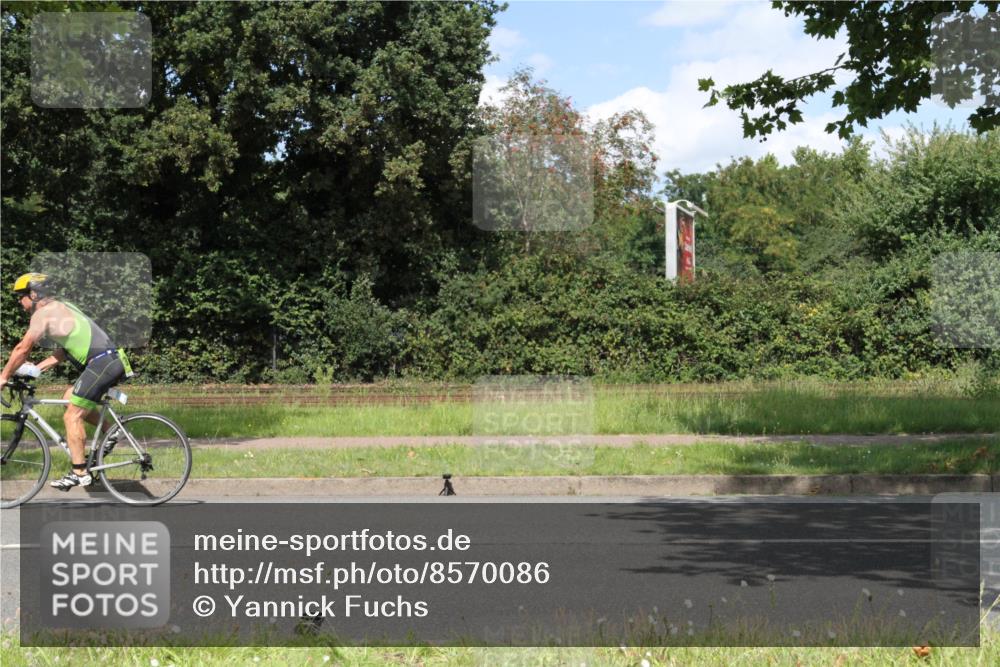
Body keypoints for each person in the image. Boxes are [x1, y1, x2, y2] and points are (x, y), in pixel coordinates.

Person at [0, 272, 133, 490]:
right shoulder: (62, 307)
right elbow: (65, 351)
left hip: (102, 362)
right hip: (108, 360)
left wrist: (3, 377)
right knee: (69, 396)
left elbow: (22, 349)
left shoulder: (43, 314)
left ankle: (79, 472)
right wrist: (37, 368)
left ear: (33, 294)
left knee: (72, 415)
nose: (19, 301)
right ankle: (111, 432)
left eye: (20, 296)